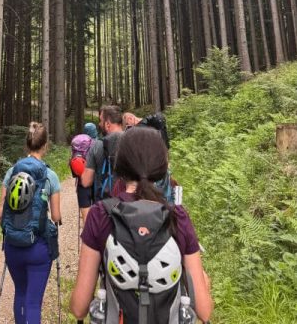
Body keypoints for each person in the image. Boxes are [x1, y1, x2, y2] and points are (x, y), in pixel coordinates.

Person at [70, 127, 213, 323]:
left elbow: (79, 308)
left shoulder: (101, 214)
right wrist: (205, 283)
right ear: (162, 166)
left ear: (120, 165)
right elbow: (204, 311)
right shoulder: (177, 217)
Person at [0, 122, 61, 324]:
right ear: (45, 145)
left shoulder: (12, 172)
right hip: (38, 248)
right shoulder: (50, 176)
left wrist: (14, 229)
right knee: (33, 302)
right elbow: (56, 216)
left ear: (27, 144)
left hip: (13, 246)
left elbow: (0, 213)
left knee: (20, 293)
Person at [81, 105, 124, 198]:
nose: (99, 124)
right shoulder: (133, 141)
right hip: (128, 203)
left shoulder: (97, 146)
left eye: (101, 121)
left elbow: (86, 181)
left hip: (104, 203)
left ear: (107, 124)